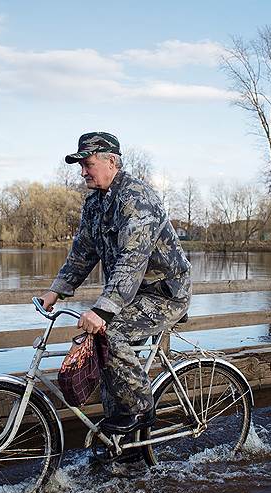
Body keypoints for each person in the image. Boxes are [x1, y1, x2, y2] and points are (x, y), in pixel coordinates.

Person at [40, 132, 191, 434]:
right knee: (106, 358)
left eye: (88, 164)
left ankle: (141, 410)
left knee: (110, 333)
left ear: (111, 162)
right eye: (80, 165)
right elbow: (83, 252)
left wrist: (103, 311)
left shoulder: (137, 199)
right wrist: (56, 289)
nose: (83, 171)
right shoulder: (94, 203)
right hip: (131, 296)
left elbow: (132, 260)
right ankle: (123, 450)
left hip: (164, 294)